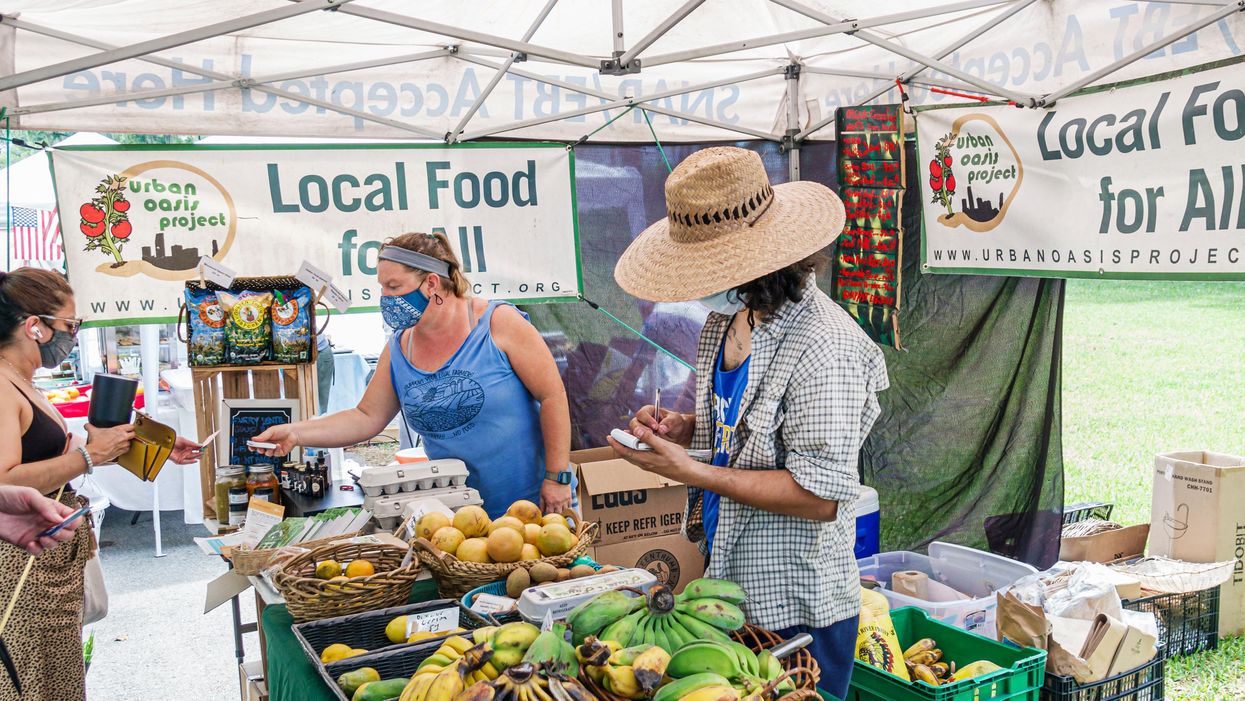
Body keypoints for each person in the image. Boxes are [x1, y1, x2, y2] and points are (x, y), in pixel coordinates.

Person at [608, 147, 889, 699]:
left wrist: (692, 471)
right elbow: (744, 431)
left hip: (796, 602)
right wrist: (685, 429)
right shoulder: (730, 322)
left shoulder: (825, 348)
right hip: (729, 582)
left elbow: (821, 496)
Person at [253, 233, 574, 517]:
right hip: (457, 516)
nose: (386, 298)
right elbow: (365, 416)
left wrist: (556, 477)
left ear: (431, 283)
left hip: (534, 505)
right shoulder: (399, 347)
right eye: (382, 287)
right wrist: (296, 433)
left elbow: (552, 396)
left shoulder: (498, 323)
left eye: (394, 287)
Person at [0, 267, 201, 701]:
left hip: (48, 559)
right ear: (34, 326)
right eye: (71, 325)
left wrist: (157, 448)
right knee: (34, 677)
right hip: (21, 565)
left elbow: (60, 451)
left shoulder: (24, 382)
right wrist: (87, 457)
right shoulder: (2, 386)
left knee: (59, 674)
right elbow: (5, 480)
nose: (73, 334)